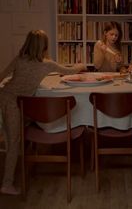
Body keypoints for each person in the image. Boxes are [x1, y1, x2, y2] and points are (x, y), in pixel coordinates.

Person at [0, 30, 86, 195]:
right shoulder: (46, 64)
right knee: (13, 143)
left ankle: (15, 171)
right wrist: (82, 65)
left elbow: (2, 76)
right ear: (44, 46)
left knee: (12, 138)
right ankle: (7, 184)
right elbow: (70, 71)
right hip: (12, 103)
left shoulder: (19, 60)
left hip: (5, 97)